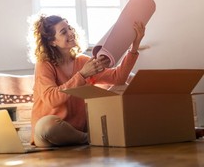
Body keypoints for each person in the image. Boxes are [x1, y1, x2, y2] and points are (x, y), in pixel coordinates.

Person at [28, 13, 145, 147]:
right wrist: (82, 75)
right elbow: (51, 99)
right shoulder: (44, 64)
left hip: (79, 128)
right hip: (51, 133)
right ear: (52, 42)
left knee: (123, 87)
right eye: (63, 32)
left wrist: (134, 46)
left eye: (70, 28)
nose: (71, 33)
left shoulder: (83, 61)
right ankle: (90, 138)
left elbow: (119, 78)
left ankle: (88, 136)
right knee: (46, 126)